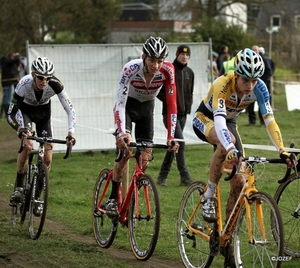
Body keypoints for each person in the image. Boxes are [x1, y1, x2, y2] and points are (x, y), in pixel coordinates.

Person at [192, 48, 294, 225]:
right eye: (246, 80)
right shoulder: (223, 84)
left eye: (254, 81)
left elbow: (270, 121)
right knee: (227, 144)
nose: (250, 86)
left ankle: (228, 238)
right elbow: (219, 121)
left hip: (229, 123)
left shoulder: (260, 89)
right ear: (236, 75)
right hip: (206, 119)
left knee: (240, 180)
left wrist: (282, 149)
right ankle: (208, 196)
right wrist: (231, 149)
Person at [105, 36, 179, 217]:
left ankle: (132, 196)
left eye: (160, 61)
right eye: (152, 60)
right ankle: (113, 198)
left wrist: (171, 136)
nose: (156, 65)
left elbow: (171, 104)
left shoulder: (168, 70)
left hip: (147, 109)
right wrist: (122, 132)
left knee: (145, 158)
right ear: (144, 56)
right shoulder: (130, 69)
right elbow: (120, 103)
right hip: (128, 108)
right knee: (125, 152)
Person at [7, 56, 76, 208]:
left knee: (48, 157)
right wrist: (19, 128)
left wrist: (71, 133)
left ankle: (37, 197)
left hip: (44, 115)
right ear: (33, 75)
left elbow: (70, 110)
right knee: (28, 145)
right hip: (25, 113)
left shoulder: (56, 85)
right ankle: (19, 187)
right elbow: (11, 112)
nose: (44, 81)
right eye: (40, 77)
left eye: (47, 78)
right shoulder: (23, 84)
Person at [156, 44, 194, 186]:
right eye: (182, 54)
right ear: (177, 54)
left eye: (187, 54)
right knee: (180, 143)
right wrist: (170, 101)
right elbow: (158, 91)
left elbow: (190, 92)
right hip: (169, 114)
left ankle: (162, 176)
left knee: (174, 145)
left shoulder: (190, 72)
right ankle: (185, 176)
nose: (184, 56)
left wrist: (187, 108)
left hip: (183, 114)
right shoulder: (168, 70)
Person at [246, 45, 272, 126]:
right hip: (250, 86)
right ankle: (252, 121)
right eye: (253, 50)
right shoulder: (248, 60)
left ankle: (263, 121)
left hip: (259, 86)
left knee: (262, 104)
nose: (255, 52)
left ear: (258, 51)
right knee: (249, 104)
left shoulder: (263, 59)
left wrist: (260, 81)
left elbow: (269, 71)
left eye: (256, 51)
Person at [1, 52, 22, 117]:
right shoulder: (7, 61)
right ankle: (8, 114)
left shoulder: (8, 62)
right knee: (8, 99)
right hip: (9, 83)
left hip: (8, 82)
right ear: (11, 57)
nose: (14, 57)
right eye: (14, 56)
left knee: (5, 99)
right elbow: (17, 60)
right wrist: (18, 55)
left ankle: (3, 114)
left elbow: (18, 62)